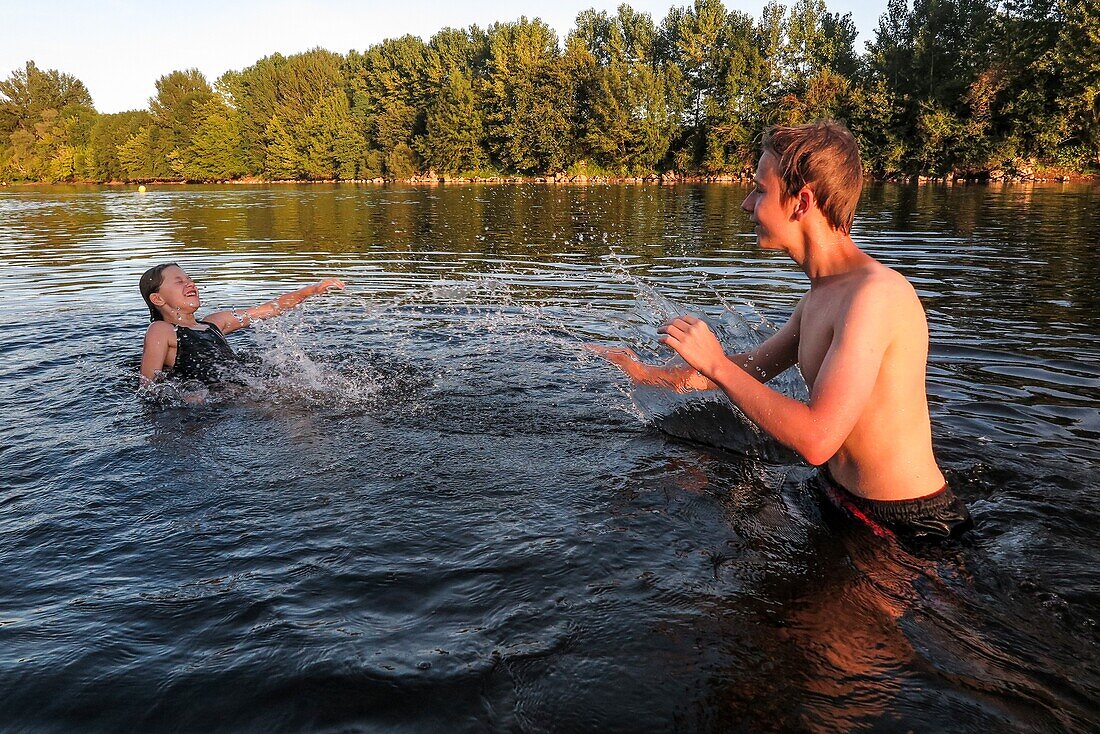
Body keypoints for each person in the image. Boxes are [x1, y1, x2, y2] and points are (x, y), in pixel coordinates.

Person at [592, 120, 971, 542]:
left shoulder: (875, 296)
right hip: (839, 500)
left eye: (759, 189)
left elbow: (817, 439)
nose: (746, 204)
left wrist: (716, 363)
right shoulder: (818, 299)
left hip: (909, 528)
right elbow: (747, 369)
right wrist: (640, 372)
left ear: (801, 201)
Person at [138, 263, 344, 386]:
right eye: (179, 281)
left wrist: (311, 290)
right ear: (157, 299)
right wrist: (185, 397)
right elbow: (149, 385)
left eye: (189, 278)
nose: (190, 283)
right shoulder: (161, 330)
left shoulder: (213, 323)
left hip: (242, 383)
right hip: (216, 394)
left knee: (301, 385)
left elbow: (269, 309)